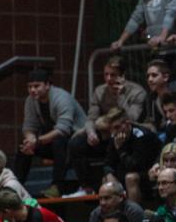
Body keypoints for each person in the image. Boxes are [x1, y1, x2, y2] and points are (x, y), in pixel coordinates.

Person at [70, 56, 146, 191]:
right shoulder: (100, 91)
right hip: (105, 133)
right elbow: (91, 118)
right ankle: (86, 187)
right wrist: (91, 133)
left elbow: (132, 118)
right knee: (76, 143)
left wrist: (121, 96)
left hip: (127, 133)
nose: (109, 78)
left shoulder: (137, 91)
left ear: (122, 76)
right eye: (106, 74)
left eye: (113, 75)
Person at [14, 69, 86, 198]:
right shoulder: (31, 100)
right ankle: (16, 186)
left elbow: (63, 129)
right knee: (23, 146)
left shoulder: (61, 98)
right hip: (53, 142)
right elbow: (29, 126)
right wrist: (30, 140)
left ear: (47, 85)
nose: (32, 90)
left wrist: (37, 141)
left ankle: (57, 186)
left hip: (77, 142)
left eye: (37, 86)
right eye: (30, 87)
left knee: (59, 140)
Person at [99, 107, 163, 203]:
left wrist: (121, 150)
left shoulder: (142, 136)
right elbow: (107, 163)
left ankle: (134, 211)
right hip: (127, 170)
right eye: (111, 129)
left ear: (127, 124)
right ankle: (114, 211)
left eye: (117, 127)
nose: (114, 132)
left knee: (130, 178)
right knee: (106, 181)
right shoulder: (115, 136)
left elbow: (135, 166)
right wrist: (109, 174)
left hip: (150, 172)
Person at [143, 59, 176, 132]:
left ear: (166, 77)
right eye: (148, 76)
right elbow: (153, 122)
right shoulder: (151, 97)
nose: (150, 79)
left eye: (154, 75)